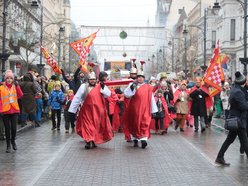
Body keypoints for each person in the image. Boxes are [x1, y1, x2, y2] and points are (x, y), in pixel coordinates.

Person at [69, 71, 113, 149]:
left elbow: (108, 95)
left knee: (95, 126)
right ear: (88, 80)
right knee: (88, 126)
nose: (92, 80)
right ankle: (88, 141)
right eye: (90, 79)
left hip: (98, 111)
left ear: (96, 79)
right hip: (87, 111)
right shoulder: (83, 86)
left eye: (94, 79)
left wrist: (103, 87)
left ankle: (93, 140)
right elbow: (77, 97)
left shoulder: (100, 86)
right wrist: (72, 110)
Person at [216, 71, 248, 166]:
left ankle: (219, 157)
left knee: (230, 140)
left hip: (236, 119)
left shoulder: (236, 89)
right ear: (242, 81)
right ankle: (219, 157)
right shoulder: (238, 92)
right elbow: (243, 106)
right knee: (244, 141)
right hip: (238, 120)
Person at [123, 69, 158, 148]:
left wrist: (154, 110)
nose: (140, 78)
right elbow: (127, 95)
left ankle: (143, 139)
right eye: (139, 77)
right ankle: (135, 139)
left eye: (142, 77)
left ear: (144, 78)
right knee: (135, 124)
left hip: (145, 108)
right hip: (134, 108)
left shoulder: (148, 87)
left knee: (145, 123)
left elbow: (151, 98)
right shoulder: (132, 85)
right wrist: (132, 88)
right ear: (136, 78)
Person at [0, 70, 23, 153]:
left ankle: (13, 141)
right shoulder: (1, 88)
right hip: (5, 111)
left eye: (10, 78)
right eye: (7, 78)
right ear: (5, 79)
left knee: (13, 128)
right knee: (7, 129)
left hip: (14, 110)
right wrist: (0, 110)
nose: (9, 79)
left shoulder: (15, 86)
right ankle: (8, 145)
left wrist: (17, 86)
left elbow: (20, 95)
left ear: (13, 79)